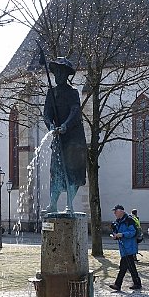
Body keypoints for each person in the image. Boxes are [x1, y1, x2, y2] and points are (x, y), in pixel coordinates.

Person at [42, 57, 87, 213]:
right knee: (56, 171)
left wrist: (65, 125)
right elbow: (46, 114)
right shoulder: (51, 93)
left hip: (74, 138)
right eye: (57, 73)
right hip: (58, 137)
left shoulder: (72, 92)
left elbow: (75, 111)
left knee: (73, 172)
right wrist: (51, 126)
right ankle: (53, 204)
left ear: (66, 75)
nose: (58, 76)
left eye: (62, 73)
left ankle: (69, 205)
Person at [108, 205, 141, 290]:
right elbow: (118, 232)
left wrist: (122, 234)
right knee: (130, 267)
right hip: (124, 248)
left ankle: (118, 285)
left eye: (116, 211)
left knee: (124, 267)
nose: (114, 213)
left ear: (121, 211)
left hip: (129, 247)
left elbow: (132, 232)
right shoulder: (118, 221)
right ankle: (137, 283)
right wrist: (116, 236)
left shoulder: (129, 220)